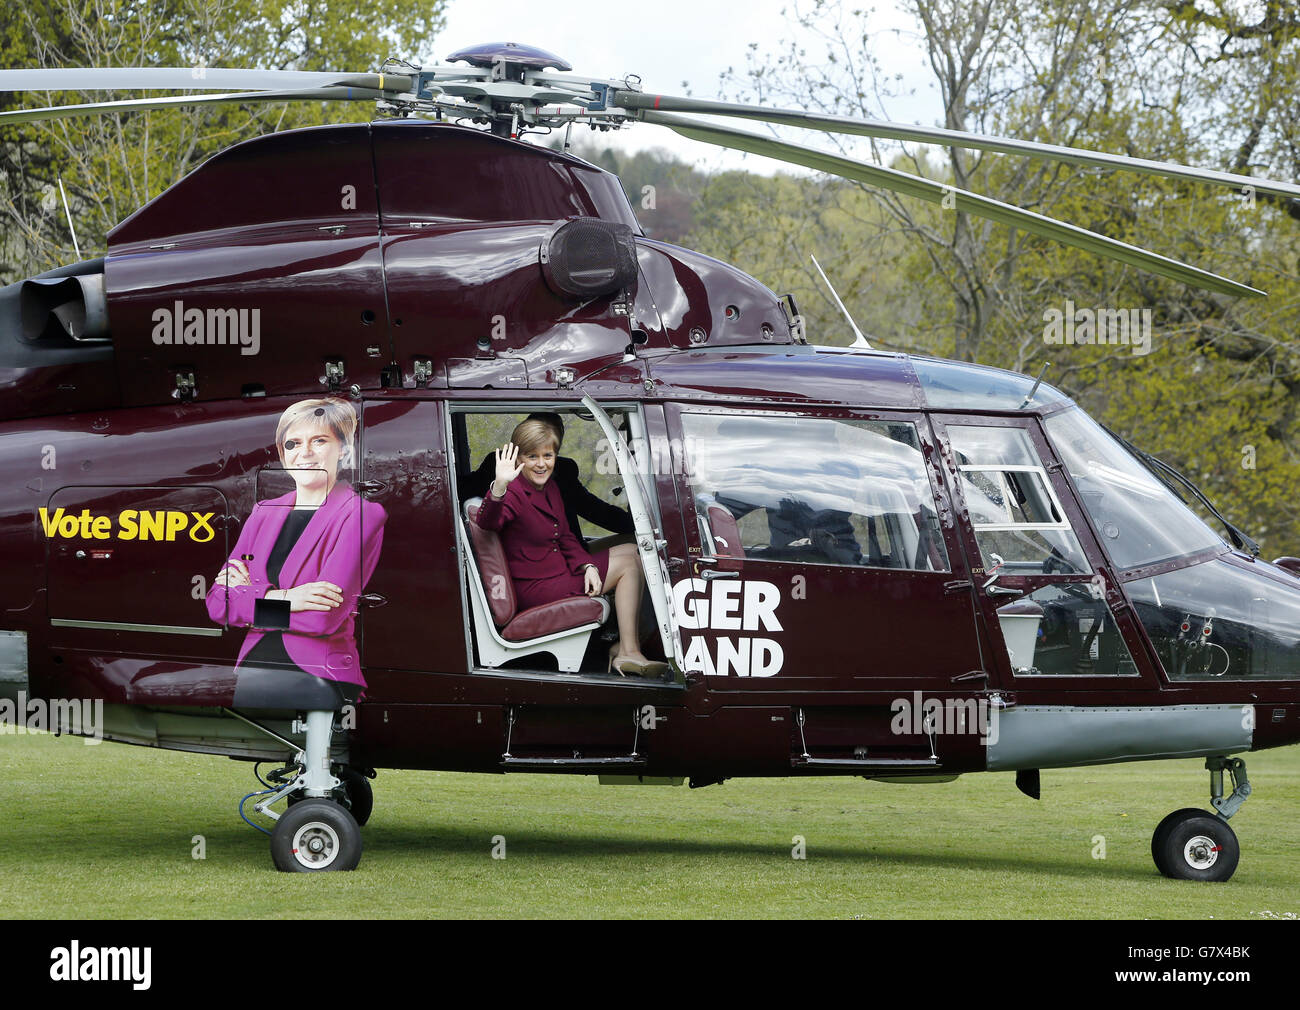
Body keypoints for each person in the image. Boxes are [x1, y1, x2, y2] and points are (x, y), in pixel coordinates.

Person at [205, 397, 387, 692]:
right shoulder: (263, 512)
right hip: (252, 669)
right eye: (292, 444)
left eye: (319, 441)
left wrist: (249, 600)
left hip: (319, 676)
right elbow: (217, 604)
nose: (304, 453)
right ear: (282, 453)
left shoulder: (361, 514)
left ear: (342, 448)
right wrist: (289, 597)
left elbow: (321, 618)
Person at [473, 418, 665, 677]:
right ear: (519, 459)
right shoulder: (513, 492)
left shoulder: (549, 486)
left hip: (558, 572)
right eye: (532, 456)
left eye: (548, 455)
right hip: (536, 586)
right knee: (629, 562)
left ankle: (627, 646)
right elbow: (487, 522)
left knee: (634, 550)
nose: (541, 463)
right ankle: (627, 651)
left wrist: (587, 565)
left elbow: (564, 535)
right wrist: (499, 486)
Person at [463, 412, 634, 544]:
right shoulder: (499, 468)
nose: (540, 465)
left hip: (567, 557)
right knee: (633, 553)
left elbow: (593, 511)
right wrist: (499, 485)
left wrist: (637, 524)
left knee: (637, 544)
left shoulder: (560, 473)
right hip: (539, 568)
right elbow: (483, 515)